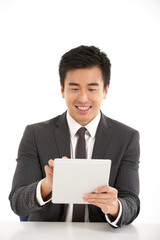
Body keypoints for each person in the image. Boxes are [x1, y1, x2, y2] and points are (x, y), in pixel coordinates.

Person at [9, 45, 140, 228]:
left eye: (92, 89)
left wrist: (115, 207)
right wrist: (47, 187)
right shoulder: (35, 135)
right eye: (74, 88)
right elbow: (17, 202)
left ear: (106, 90)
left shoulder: (127, 137)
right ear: (62, 90)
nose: (83, 99)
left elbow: (132, 202)